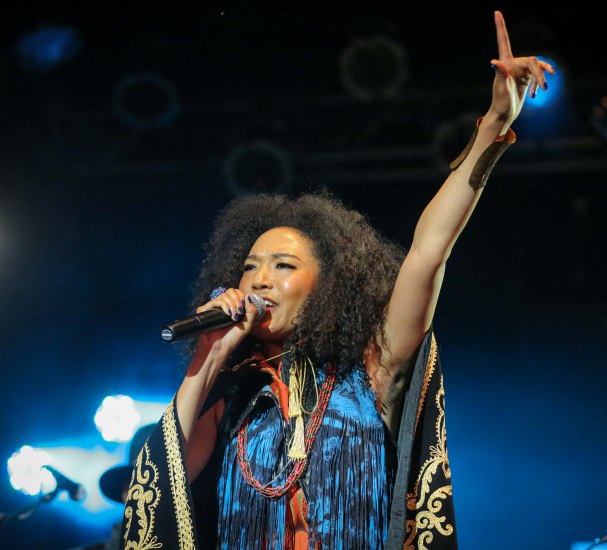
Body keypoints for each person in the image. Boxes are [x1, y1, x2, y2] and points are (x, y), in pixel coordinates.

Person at [121, 11, 553, 550]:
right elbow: (160, 490)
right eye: (250, 266)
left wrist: (493, 125)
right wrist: (209, 355)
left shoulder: (371, 369)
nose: (259, 280)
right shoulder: (229, 393)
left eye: (283, 265)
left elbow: (428, 251)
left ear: (327, 288)